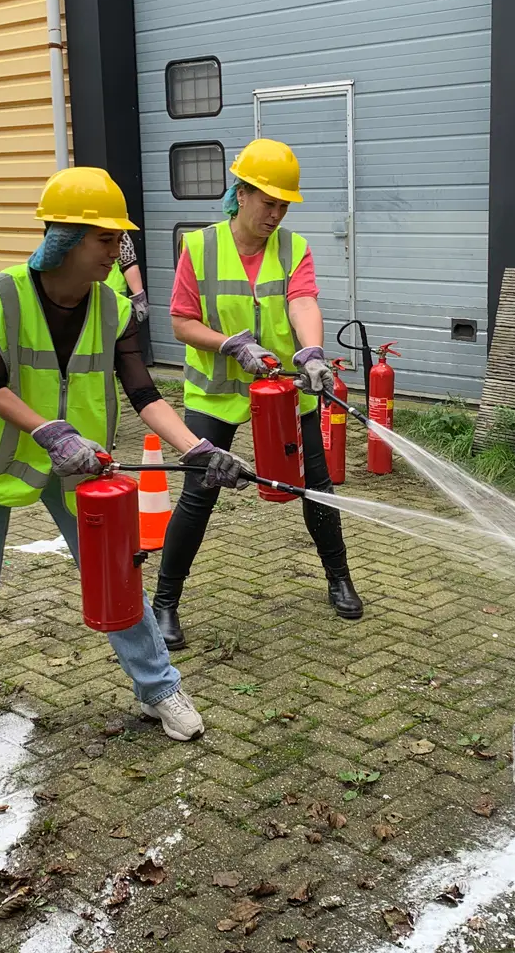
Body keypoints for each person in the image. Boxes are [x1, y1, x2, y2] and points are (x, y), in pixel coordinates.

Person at [0, 167, 250, 743]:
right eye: (106, 240)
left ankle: (159, 688)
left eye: (120, 241)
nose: (117, 253)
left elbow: (143, 393)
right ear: (63, 238)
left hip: (79, 466)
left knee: (116, 572)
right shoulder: (2, 295)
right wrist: (50, 433)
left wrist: (197, 448)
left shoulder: (113, 309)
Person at [152, 138, 363, 651]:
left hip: (287, 392)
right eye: (268, 201)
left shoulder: (294, 248)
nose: (276, 213)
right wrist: (229, 343)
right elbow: (181, 322)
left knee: (315, 486)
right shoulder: (199, 247)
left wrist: (311, 353)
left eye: (284, 204)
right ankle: (164, 602)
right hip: (216, 391)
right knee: (199, 493)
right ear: (240, 194)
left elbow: (303, 302)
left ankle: (339, 577)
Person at [104, 233, 149, 324]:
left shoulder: (116, 230)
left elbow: (128, 262)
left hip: (114, 296)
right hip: (86, 294)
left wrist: (139, 299)